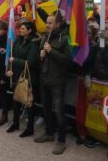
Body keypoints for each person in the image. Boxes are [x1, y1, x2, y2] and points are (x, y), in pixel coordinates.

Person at [35, 12, 71, 155]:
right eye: (47, 22)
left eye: (50, 23)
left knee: (59, 111)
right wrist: (41, 55)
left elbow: (68, 61)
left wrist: (52, 51)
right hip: (44, 78)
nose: (47, 25)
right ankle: (49, 133)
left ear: (57, 24)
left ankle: (61, 141)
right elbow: (40, 57)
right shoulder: (44, 37)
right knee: (46, 108)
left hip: (57, 80)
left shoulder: (64, 38)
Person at [6, 21, 39, 137]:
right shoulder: (18, 40)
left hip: (28, 77)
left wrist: (14, 61)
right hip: (16, 74)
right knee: (16, 100)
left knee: (28, 102)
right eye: (20, 28)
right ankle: (15, 123)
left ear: (30, 30)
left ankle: (30, 128)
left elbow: (30, 62)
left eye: (23, 29)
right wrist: (10, 69)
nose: (20, 30)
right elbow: (11, 55)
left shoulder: (34, 44)